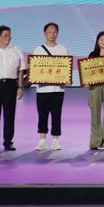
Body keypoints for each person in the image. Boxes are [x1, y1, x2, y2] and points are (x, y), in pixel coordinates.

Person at [33, 22, 68, 151]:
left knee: (56, 114)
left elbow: (66, 68)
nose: (52, 34)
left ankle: (55, 140)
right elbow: (35, 68)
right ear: (44, 33)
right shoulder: (38, 49)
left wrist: (67, 79)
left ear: (57, 33)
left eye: (54, 32)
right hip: (42, 89)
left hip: (57, 89)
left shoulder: (62, 49)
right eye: (49, 32)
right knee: (42, 114)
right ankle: (42, 139)